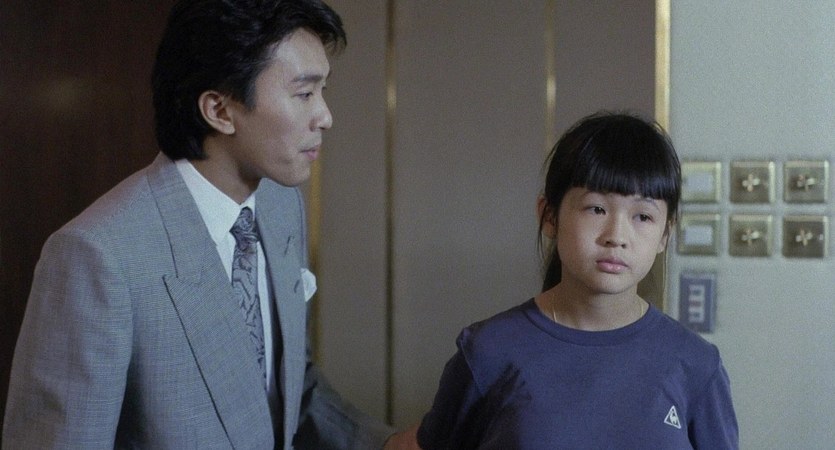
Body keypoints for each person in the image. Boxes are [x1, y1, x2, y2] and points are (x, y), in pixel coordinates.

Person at [3, 1, 403, 448]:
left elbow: (283, 385)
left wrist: (384, 443)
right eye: (304, 94)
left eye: (323, 90)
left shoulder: (280, 203)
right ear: (219, 110)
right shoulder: (96, 255)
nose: (325, 116)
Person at [416, 112, 739, 449]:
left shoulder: (697, 365)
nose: (617, 236)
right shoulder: (487, 352)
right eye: (596, 209)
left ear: (665, 235)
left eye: (643, 216)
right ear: (549, 216)